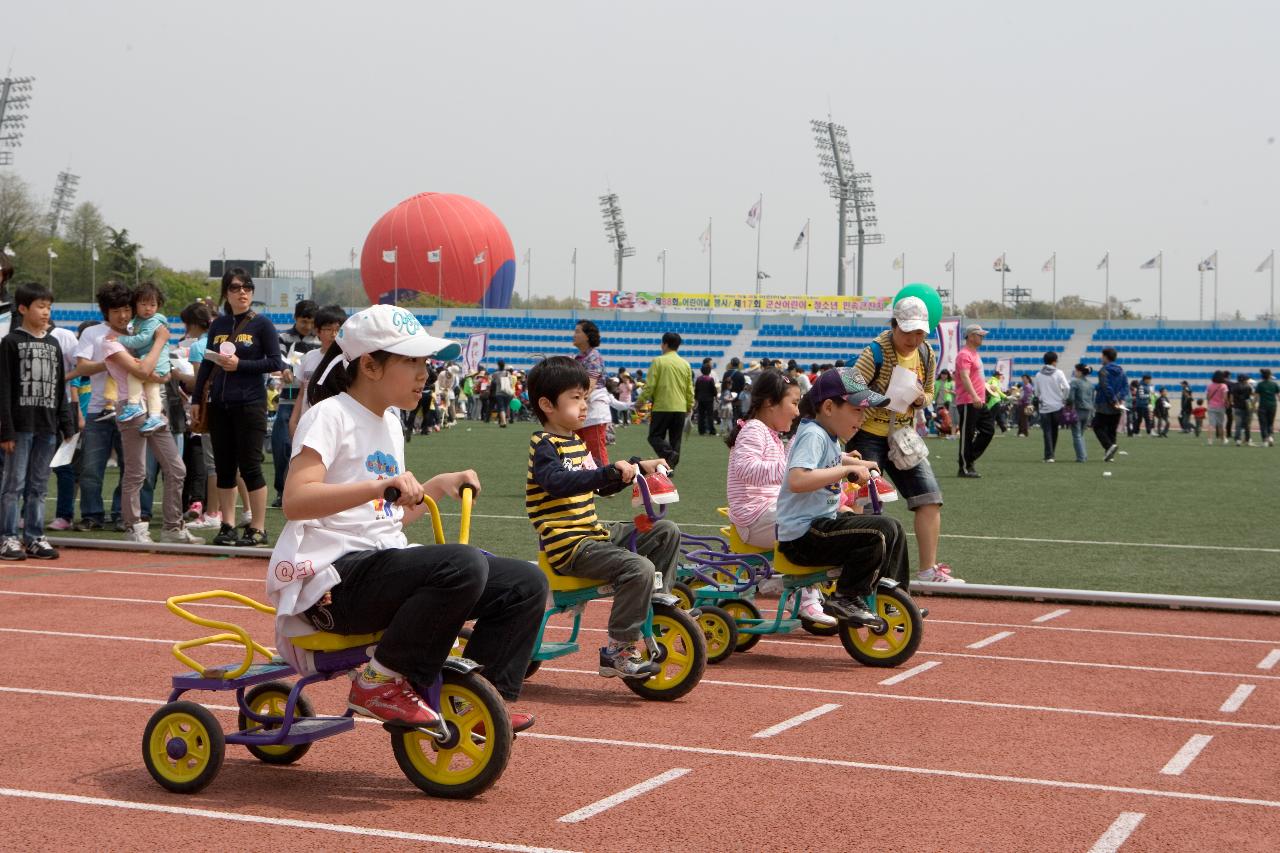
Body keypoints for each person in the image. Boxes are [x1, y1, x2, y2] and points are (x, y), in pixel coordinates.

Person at [269, 304, 544, 732]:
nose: (425, 374)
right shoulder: (330, 415)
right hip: (332, 584)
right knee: (462, 561)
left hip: (379, 566)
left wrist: (435, 486)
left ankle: (479, 699)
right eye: (411, 361)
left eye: (425, 362)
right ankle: (379, 681)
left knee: (526, 583)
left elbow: (384, 519)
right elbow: (296, 501)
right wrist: (379, 487)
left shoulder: (391, 422)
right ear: (370, 365)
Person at [524, 355, 676, 679]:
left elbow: (602, 485)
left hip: (593, 534)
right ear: (547, 405)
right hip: (570, 545)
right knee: (639, 566)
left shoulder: (577, 443)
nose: (584, 407)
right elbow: (558, 482)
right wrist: (607, 472)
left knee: (665, 531)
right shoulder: (544, 446)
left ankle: (657, 603)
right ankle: (618, 651)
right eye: (576, 399)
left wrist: (636, 466)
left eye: (586, 399)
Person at [776, 369, 910, 624]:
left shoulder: (827, 435)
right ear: (828, 407)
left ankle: (892, 596)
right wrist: (847, 469)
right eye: (856, 409)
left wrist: (849, 460)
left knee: (894, 529)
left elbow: (825, 462)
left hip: (819, 528)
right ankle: (846, 596)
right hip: (803, 537)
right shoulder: (814, 434)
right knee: (880, 530)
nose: (862, 418)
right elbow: (798, 479)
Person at [849, 297, 959, 583]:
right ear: (894, 325)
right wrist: (882, 398)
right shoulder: (875, 351)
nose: (913, 338)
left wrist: (921, 398)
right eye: (908, 331)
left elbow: (931, 392)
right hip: (867, 435)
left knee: (930, 498)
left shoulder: (926, 354)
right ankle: (860, 572)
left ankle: (927, 570)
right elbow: (849, 386)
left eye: (920, 332)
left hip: (904, 437)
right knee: (865, 502)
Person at [725, 369, 835, 626]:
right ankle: (802, 592)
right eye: (794, 403)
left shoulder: (771, 435)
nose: (797, 412)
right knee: (807, 526)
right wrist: (790, 470)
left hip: (766, 512)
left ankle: (785, 584)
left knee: (822, 518)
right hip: (752, 518)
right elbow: (745, 469)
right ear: (769, 404)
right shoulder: (754, 429)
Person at [192, 267, 284, 547]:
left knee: (251, 466)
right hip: (219, 405)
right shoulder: (218, 325)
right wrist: (197, 399)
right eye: (235, 287)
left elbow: (275, 362)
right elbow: (208, 362)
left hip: (250, 404)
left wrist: (240, 365)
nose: (242, 292)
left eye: (246, 287)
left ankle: (257, 528)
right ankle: (227, 525)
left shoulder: (262, 324)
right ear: (226, 293)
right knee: (224, 468)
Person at [100, 287, 197, 545]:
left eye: (126, 309)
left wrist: (159, 366)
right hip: (131, 408)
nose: (122, 315)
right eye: (115, 311)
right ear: (106, 314)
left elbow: (163, 374)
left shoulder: (139, 330)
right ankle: (133, 525)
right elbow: (143, 370)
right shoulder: (110, 342)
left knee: (177, 469)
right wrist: (160, 341)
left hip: (155, 409)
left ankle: (172, 526)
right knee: (136, 472)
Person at [0, 282, 76, 560]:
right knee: (13, 484)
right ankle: (7, 537)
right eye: (40, 306)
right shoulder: (10, 343)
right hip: (20, 427)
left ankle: (34, 536)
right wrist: (5, 429)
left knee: (39, 485)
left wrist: (66, 424)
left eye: (49, 307)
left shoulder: (54, 344)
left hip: (47, 426)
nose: (46, 312)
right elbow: (4, 389)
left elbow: (59, 388)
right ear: (23, 309)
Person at [272, 300, 320, 508]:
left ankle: (307, 491)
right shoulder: (282, 337)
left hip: (313, 403)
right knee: (282, 446)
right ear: (295, 318)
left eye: (310, 323)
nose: (307, 327)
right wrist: (285, 369)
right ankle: (281, 490)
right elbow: (278, 357)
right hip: (288, 398)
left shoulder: (319, 341)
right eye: (303, 322)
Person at [108, 281, 170, 435]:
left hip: (155, 360)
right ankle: (155, 416)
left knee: (134, 376)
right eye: (143, 304)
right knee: (152, 388)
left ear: (158, 306)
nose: (148, 308)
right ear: (136, 304)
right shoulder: (140, 320)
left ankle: (134, 405)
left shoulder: (152, 321)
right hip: (156, 361)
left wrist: (119, 339)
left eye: (152, 305)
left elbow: (141, 339)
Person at [638, 332, 694, 472]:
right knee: (676, 439)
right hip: (680, 407)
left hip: (662, 406)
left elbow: (650, 385)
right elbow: (689, 388)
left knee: (654, 436)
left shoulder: (658, 361)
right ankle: (670, 467)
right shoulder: (685, 364)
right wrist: (689, 405)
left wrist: (641, 400)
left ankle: (669, 456)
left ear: (665, 344)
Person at [289, 305, 346, 438]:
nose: (334, 334)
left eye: (338, 329)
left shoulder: (347, 360)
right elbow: (302, 393)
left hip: (335, 427)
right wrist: (293, 421)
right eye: (328, 329)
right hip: (307, 425)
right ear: (318, 331)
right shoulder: (309, 357)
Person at [954, 324, 993, 476]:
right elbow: (964, 376)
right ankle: (964, 467)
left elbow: (975, 378)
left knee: (988, 430)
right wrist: (974, 395)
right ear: (970, 336)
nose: (982, 337)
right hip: (968, 401)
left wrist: (988, 387)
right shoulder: (964, 354)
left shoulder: (974, 354)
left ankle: (968, 458)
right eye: (979, 335)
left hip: (978, 400)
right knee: (967, 434)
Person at [571, 320, 611, 463]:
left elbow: (589, 387)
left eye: (577, 332)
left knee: (596, 452)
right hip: (582, 410)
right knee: (575, 449)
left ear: (587, 336)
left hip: (593, 411)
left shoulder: (593, 357)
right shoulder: (579, 358)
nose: (574, 335)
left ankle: (605, 484)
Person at [1031, 351, 1070, 462]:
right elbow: (1067, 387)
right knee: (1054, 430)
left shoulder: (1039, 375)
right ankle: (1052, 453)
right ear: (1054, 361)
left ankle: (1049, 455)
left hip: (1044, 407)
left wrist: (1040, 396)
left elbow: (1036, 392)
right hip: (1058, 405)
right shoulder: (1059, 373)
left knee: (1047, 431)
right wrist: (1064, 398)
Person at [1092, 346, 1128, 461]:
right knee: (1112, 430)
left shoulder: (1103, 371)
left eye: (1102, 356)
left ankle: (1108, 447)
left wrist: (1113, 399)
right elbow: (1125, 387)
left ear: (1106, 357)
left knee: (1097, 426)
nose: (1101, 358)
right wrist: (1118, 399)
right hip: (1118, 404)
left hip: (1104, 403)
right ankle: (1110, 456)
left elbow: (1106, 387)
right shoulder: (1121, 370)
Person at [1066, 363, 1094, 463]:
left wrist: (1067, 404)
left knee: (1076, 435)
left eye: (1076, 371)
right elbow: (1092, 399)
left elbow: (1070, 398)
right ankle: (1084, 455)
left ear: (1079, 371)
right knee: (1081, 434)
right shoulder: (1090, 384)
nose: (1075, 372)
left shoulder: (1074, 382)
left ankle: (1081, 457)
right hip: (1088, 411)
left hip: (1077, 410)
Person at [1205, 370, 1230, 446]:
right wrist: (1227, 404)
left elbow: (1208, 397)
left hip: (1211, 406)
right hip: (1220, 406)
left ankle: (1210, 440)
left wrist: (1209, 402)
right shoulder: (1224, 386)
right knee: (1221, 424)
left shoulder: (1210, 385)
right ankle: (1223, 439)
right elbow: (1225, 398)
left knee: (1211, 424)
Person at [1230, 373, 1255, 446]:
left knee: (1238, 425)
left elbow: (1231, 397)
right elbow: (1251, 397)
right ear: (1244, 380)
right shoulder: (1248, 387)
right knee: (1247, 424)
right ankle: (1247, 439)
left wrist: (1232, 403)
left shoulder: (1234, 386)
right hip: (1246, 407)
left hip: (1237, 407)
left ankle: (1238, 440)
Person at [694, 363, 718, 435]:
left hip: (700, 399)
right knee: (710, 415)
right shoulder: (710, 379)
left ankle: (701, 430)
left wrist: (696, 399)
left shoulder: (698, 379)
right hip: (709, 400)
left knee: (701, 415)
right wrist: (716, 396)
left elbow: (696, 390)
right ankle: (712, 431)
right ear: (709, 371)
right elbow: (713, 389)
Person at [488, 359, 514, 428]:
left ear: (498, 365)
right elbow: (511, 384)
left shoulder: (496, 373)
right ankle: (503, 421)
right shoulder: (508, 373)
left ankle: (504, 422)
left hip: (499, 392)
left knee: (501, 408)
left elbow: (492, 380)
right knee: (505, 407)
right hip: (508, 392)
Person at [1256, 368, 1277, 447]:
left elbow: (1256, 397)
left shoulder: (1260, 384)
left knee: (1263, 424)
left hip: (1262, 406)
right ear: (1270, 375)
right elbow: (1278, 396)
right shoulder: (1274, 384)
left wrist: (1254, 405)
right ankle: (1271, 437)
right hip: (1272, 405)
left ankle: (1265, 440)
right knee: (1270, 423)